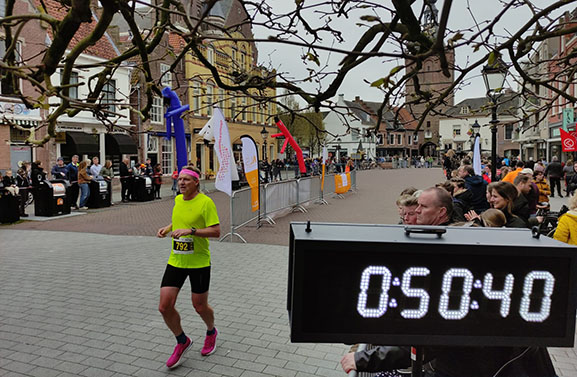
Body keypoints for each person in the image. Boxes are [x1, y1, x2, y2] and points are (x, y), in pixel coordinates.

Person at [156, 166, 221, 369]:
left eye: (186, 179)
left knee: (199, 306)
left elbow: (216, 231)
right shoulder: (177, 200)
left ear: (196, 182)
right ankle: (182, 340)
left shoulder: (206, 202)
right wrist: (168, 228)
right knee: (164, 306)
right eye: (180, 179)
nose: (181, 182)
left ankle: (211, 331)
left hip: (199, 262)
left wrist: (191, 231)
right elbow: (179, 221)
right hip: (176, 260)